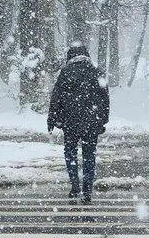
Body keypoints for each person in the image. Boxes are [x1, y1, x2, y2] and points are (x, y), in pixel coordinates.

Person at [47, 43, 110, 205]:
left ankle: (75, 185)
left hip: (70, 121)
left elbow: (56, 97)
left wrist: (52, 119)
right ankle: (87, 189)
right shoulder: (96, 71)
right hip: (92, 121)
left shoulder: (65, 72)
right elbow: (105, 97)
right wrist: (103, 119)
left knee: (70, 152)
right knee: (89, 155)